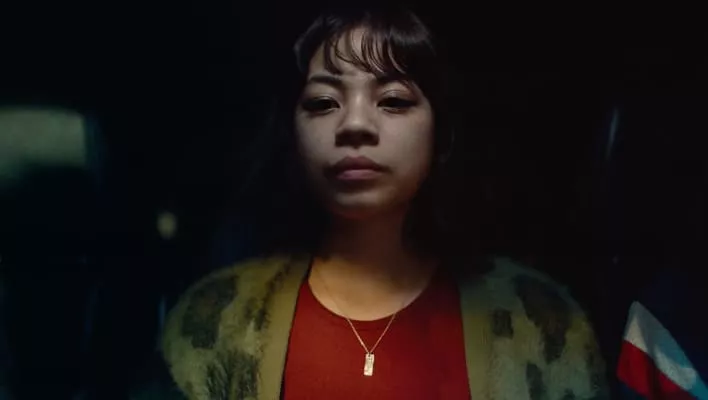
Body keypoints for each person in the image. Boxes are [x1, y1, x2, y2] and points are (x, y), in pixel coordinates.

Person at [133, 4, 609, 399]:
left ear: (440, 134)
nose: (354, 125)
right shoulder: (216, 322)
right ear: (293, 134)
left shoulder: (540, 324)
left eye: (394, 100)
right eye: (323, 103)